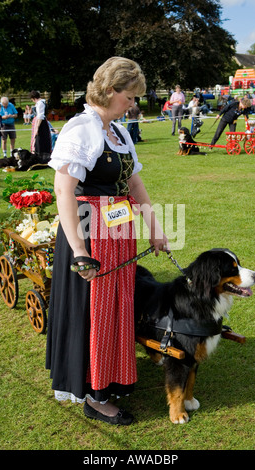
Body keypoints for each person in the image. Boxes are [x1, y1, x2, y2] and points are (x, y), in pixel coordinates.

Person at [46, 57, 168, 426]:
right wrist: (81, 251)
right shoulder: (81, 128)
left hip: (117, 232)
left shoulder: (118, 131)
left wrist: (155, 225)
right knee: (95, 311)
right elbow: (63, 191)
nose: (133, 104)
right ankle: (94, 395)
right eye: (129, 97)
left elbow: (134, 184)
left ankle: (111, 374)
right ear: (111, 90)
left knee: (117, 306)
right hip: (91, 236)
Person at [30, 90, 52, 154]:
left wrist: (37, 127)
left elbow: (40, 116)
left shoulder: (40, 103)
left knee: (40, 139)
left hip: (41, 123)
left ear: (34, 98)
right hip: (40, 122)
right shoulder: (41, 102)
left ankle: (41, 153)